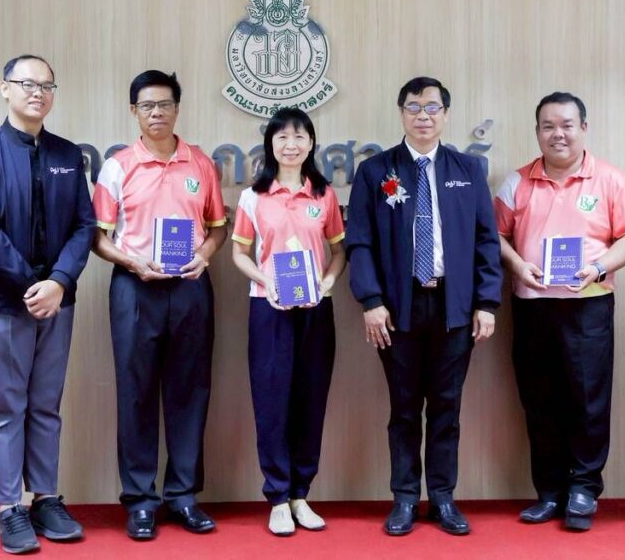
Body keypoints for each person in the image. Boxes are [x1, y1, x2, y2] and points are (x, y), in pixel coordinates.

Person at [346, 76, 502, 536]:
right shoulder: (376, 171)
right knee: (404, 408)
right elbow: (359, 242)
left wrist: (487, 302)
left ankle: (444, 497)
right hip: (398, 310)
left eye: (432, 107)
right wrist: (371, 301)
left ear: (445, 115)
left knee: (447, 407)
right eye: (414, 107)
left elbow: (486, 241)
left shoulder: (468, 169)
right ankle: (405, 498)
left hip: (455, 307)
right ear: (401, 113)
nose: (423, 116)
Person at [0, 54, 94, 554]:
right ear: (5, 89)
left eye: (47, 86)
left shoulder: (67, 155)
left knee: (45, 405)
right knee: (5, 406)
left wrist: (59, 281)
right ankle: (9, 507)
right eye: (27, 84)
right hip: (1, 305)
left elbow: (84, 225)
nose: (38, 92)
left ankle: (46, 498)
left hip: (57, 303)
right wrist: (32, 284)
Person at [494, 92, 625, 531]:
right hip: (533, 306)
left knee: (588, 400)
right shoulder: (516, 182)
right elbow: (494, 236)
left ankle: (583, 489)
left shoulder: (611, 180)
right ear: (537, 131)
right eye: (548, 126)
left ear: (583, 128)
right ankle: (549, 492)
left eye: (566, 125)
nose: (557, 134)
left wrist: (599, 267)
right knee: (539, 401)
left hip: (588, 306)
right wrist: (518, 265)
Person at [91, 70, 227, 540]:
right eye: (147, 106)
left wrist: (204, 255)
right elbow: (98, 237)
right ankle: (140, 501)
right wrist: (132, 262)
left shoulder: (200, 164)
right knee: (137, 392)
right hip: (135, 288)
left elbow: (218, 227)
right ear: (134, 111)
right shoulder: (117, 167)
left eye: (165, 104)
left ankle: (183, 496)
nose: (157, 113)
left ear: (177, 108)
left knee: (191, 390)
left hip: (190, 287)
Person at [231, 108, 347, 536]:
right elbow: (239, 253)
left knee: (310, 400)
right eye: (282, 137)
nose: (291, 145)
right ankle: (278, 497)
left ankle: (301, 493)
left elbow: (339, 251)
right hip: (269, 308)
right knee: (272, 401)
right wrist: (268, 281)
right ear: (271, 144)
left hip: (316, 309)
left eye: (299, 136)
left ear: (312, 143)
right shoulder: (253, 197)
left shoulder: (324, 195)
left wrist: (328, 283)